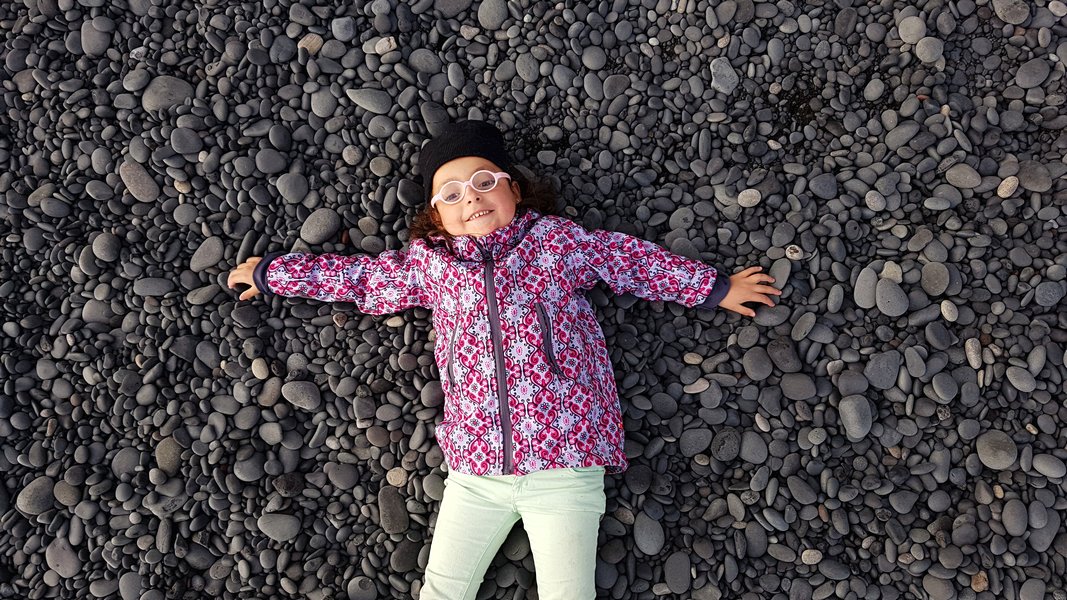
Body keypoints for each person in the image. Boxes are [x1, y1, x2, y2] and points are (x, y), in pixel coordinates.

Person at [227, 120, 781, 599]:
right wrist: (270, 273)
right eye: (452, 193)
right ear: (435, 216)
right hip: (475, 472)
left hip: (567, 465)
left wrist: (714, 288)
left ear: (514, 189)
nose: (471, 197)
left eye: (485, 182)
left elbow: (628, 260)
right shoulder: (429, 266)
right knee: (442, 589)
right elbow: (359, 279)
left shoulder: (557, 243)